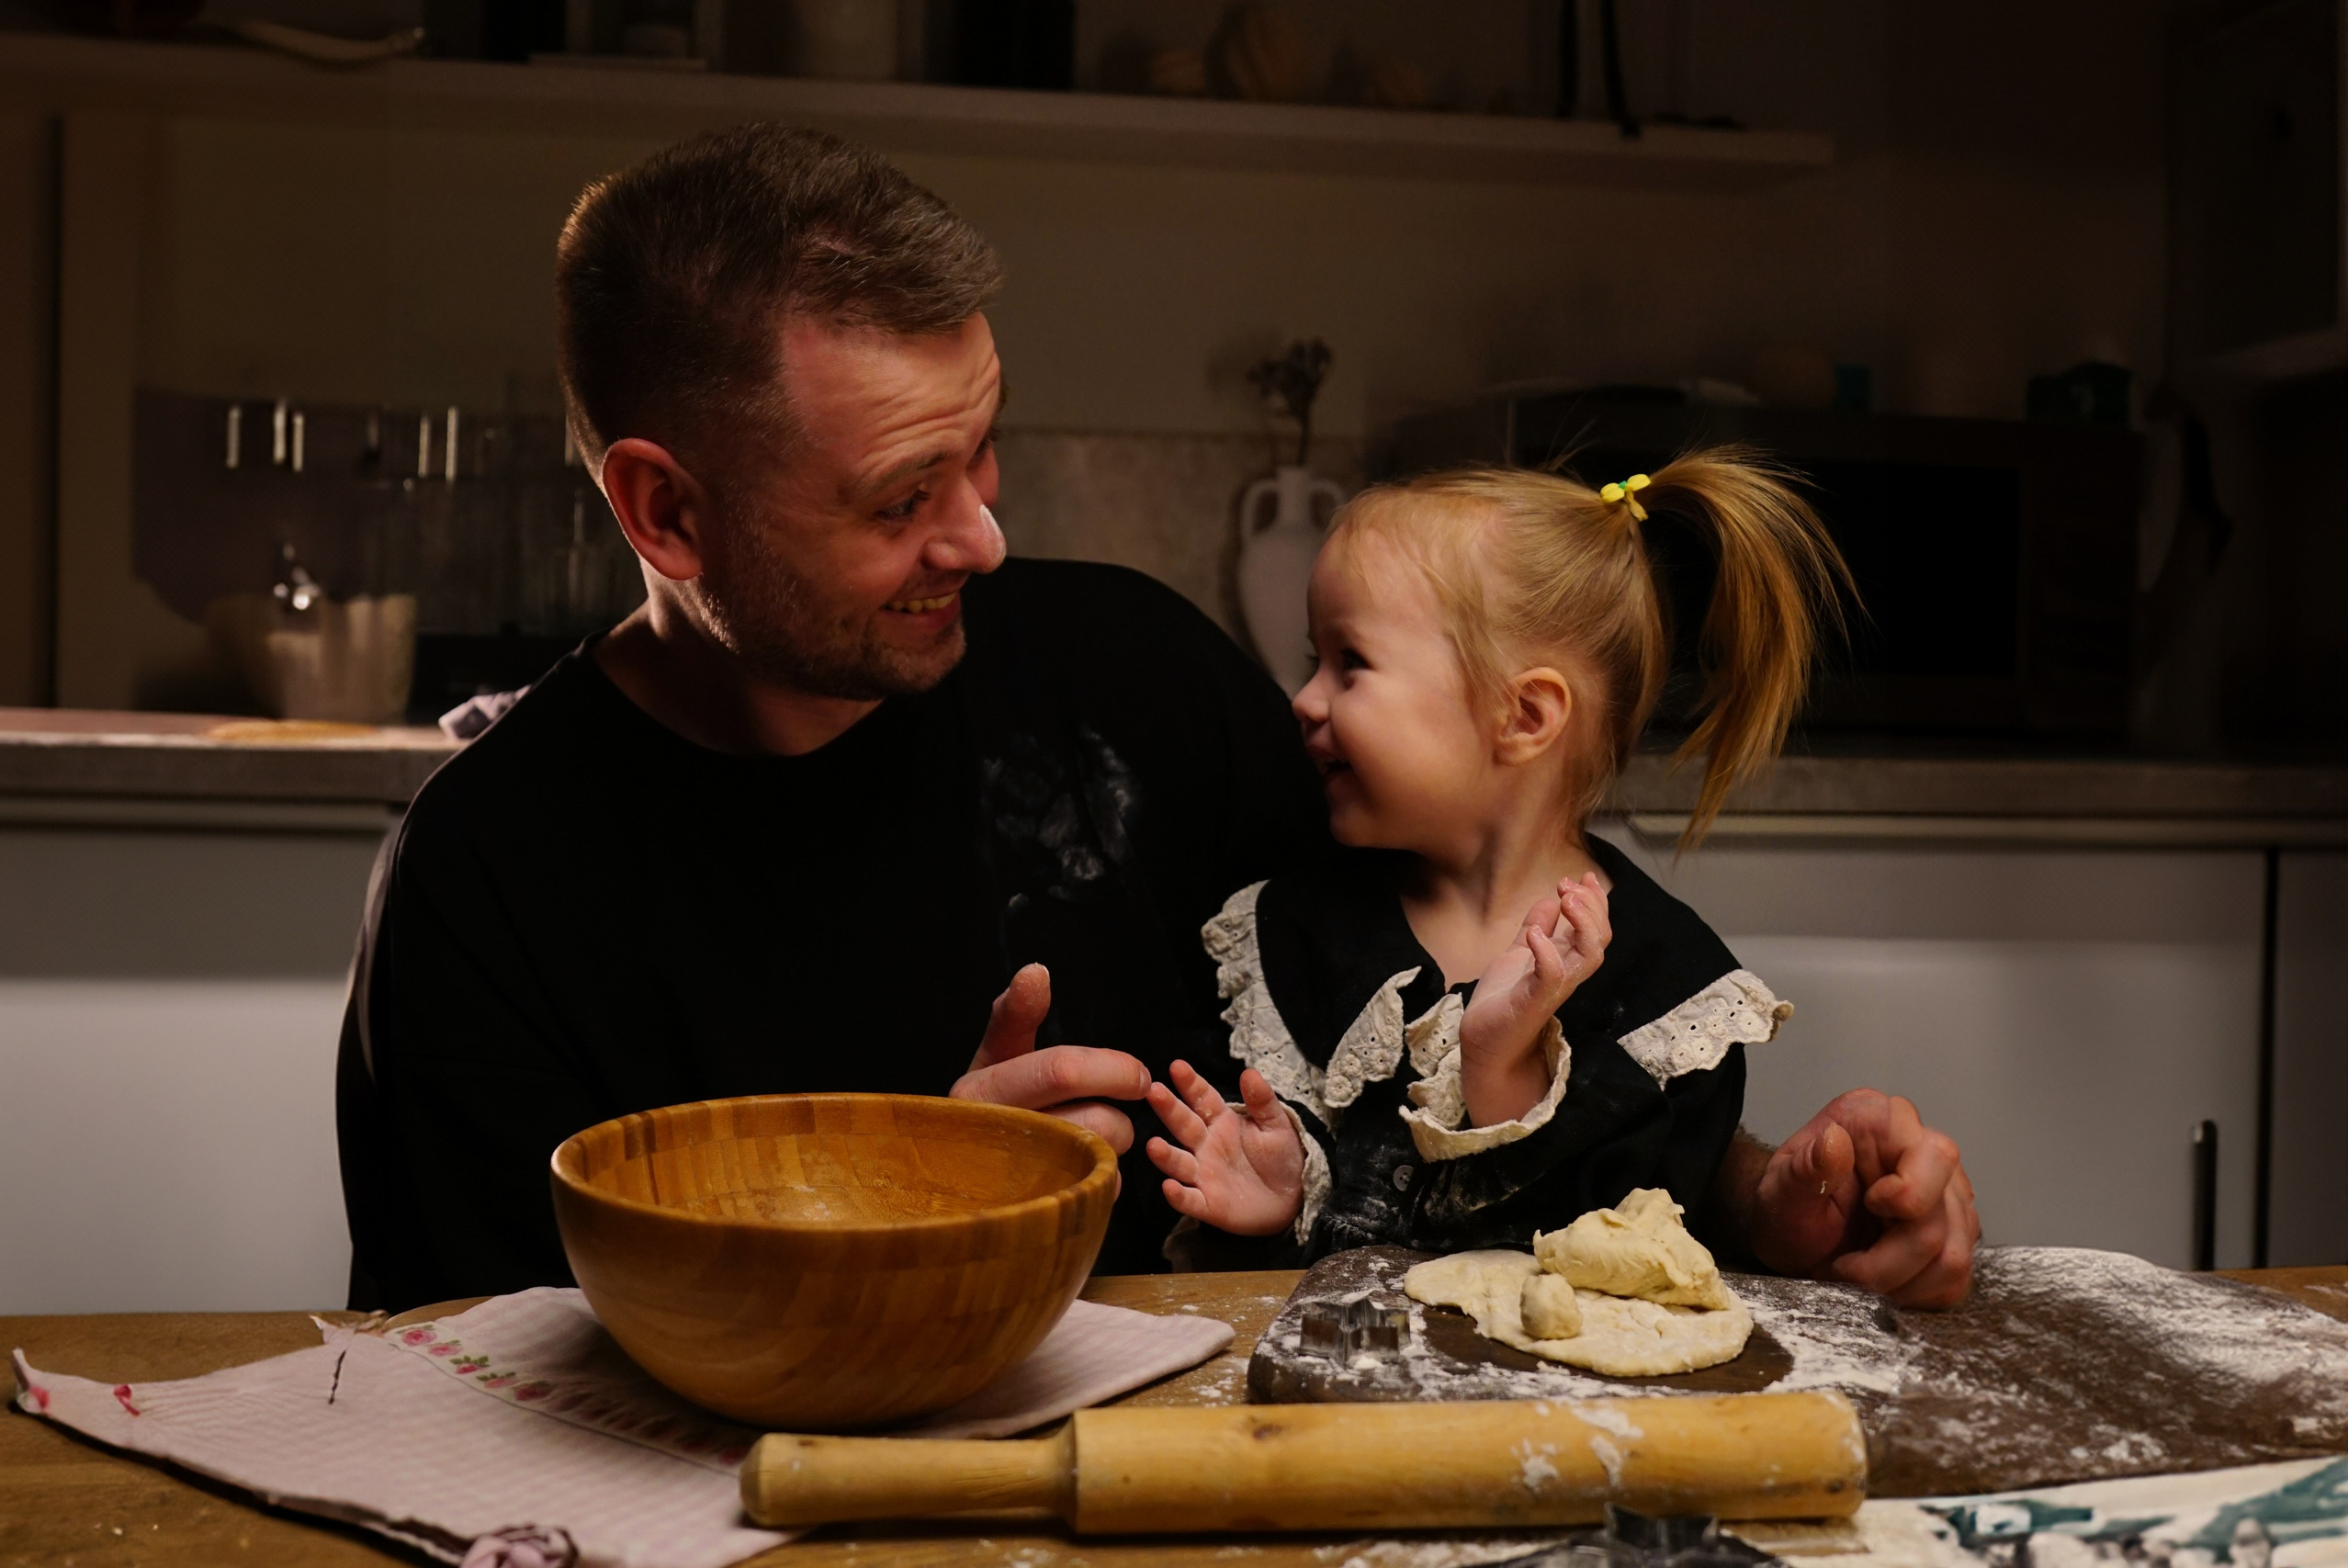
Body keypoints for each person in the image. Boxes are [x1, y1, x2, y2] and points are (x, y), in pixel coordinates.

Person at [338, 120, 1978, 1314]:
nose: (983, 535)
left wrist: (1764, 1195)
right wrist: (887, 1213)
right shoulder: (490, 879)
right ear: (667, 513)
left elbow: (1456, 1043)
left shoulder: (1128, 675)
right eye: (907, 492)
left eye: (984, 452)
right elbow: (462, 1392)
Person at [1145, 458, 1981, 1307]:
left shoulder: (1666, 988)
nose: (1303, 699)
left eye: (1349, 663)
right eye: (1311, 659)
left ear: (1526, 717)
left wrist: (1504, 1069)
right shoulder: (1296, 925)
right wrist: (1281, 1192)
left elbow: (1637, 1253)